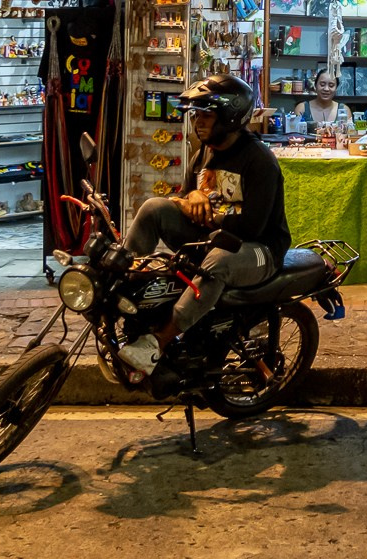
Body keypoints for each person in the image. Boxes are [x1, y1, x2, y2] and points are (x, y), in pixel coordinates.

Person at [116, 73, 289, 376]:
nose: (199, 121)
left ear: (231, 116)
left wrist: (197, 210)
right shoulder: (203, 155)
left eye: (208, 114)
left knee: (218, 260)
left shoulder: (259, 160)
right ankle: (122, 290)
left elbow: (252, 226)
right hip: (213, 239)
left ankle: (157, 343)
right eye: (196, 114)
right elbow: (184, 197)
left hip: (260, 249)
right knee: (154, 208)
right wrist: (190, 196)